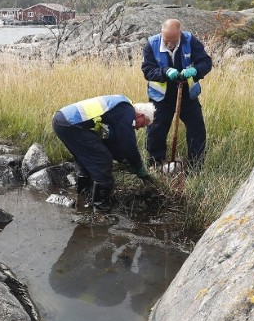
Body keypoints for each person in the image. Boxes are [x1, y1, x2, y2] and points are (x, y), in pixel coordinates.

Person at [51, 95, 155, 207]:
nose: (139, 128)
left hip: (62, 121)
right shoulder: (127, 112)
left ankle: (83, 198)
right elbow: (128, 145)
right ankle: (100, 207)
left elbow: (113, 141)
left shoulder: (120, 108)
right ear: (140, 115)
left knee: (85, 162)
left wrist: (123, 159)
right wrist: (139, 167)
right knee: (103, 159)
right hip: (70, 124)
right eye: (143, 124)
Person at [141, 19, 212, 169]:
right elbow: (147, 70)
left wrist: (195, 71)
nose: (170, 43)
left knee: (196, 129)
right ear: (162, 33)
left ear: (180, 34)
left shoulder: (190, 40)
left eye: (174, 40)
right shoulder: (151, 44)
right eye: (167, 40)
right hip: (161, 98)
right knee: (155, 131)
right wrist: (165, 71)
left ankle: (195, 166)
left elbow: (205, 62)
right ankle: (156, 164)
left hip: (187, 95)